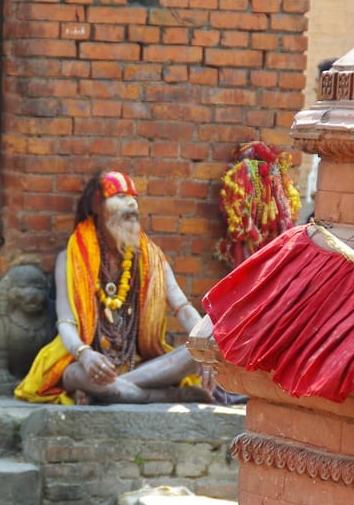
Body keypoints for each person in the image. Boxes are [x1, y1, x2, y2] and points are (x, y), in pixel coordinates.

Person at [14, 171, 216, 405]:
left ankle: (111, 391)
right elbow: (66, 323)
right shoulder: (70, 259)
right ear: (97, 204)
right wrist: (86, 355)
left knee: (197, 349)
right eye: (120, 196)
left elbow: (183, 307)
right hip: (87, 364)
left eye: (134, 197)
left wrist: (206, 348)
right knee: (74, 374)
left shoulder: (151, 258)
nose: (131, 202)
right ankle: (165, 395)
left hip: (138, 362)